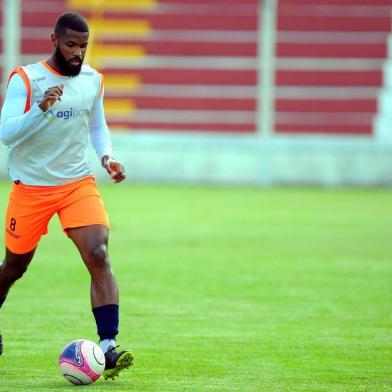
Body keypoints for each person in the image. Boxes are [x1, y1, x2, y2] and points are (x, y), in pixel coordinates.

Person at [0, 12, 133, 380]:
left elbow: (97, 124)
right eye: (71, 45)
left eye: (83, 47)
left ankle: (108, 346)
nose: (78, 54)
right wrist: (40, 110)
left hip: (76, 184)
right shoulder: (26, 80)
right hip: (31, 189)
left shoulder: (92, 80)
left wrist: (107, 155)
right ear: (54, 40)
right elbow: (7, 134)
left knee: (99, 253)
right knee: (14, 268)